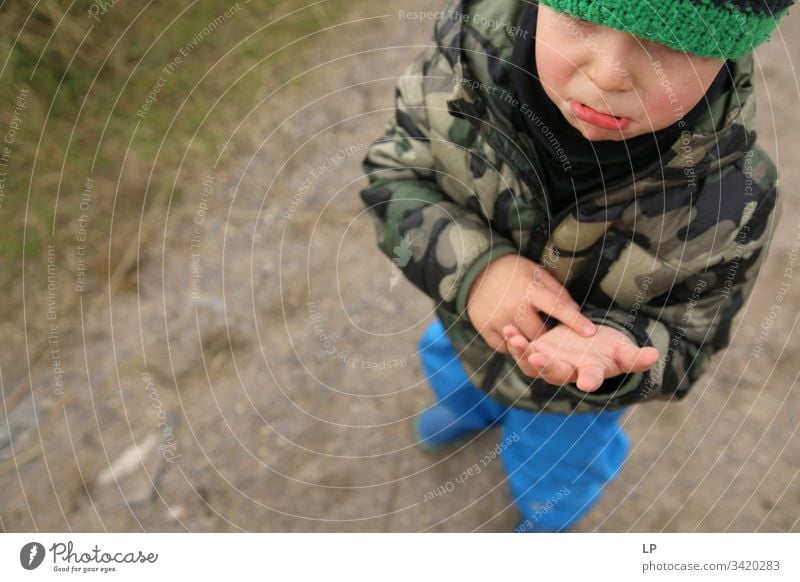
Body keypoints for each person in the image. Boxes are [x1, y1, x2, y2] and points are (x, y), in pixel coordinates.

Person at [360, 0, 791, 531]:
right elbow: (397, 174)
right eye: (582, 16)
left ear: (730, 47)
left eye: (673, 43)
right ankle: (469, 408)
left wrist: (616, 355)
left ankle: (549, 523)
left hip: (572, 402)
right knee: (447, 364)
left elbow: (693, 337)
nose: (609, 74)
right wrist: (477, 272)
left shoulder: (734, 194)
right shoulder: (467, 56)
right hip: (465, 326)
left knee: (557, 471)